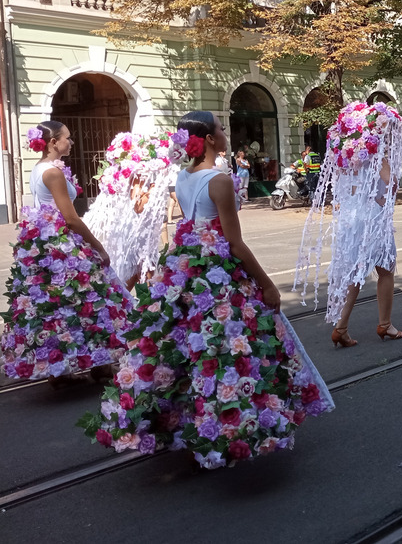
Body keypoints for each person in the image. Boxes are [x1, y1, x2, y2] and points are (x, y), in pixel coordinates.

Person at [80, 111, 333, 468]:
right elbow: (236, 243)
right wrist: (267, 283)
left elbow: (189, 220)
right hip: (217, 270)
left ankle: (173, 418)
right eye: (220, 127)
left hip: (184, 264)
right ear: (211, 139)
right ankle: (233, 422)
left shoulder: (183, 175)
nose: (225, 131)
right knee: (229, 342)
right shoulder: (219, 180)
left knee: (179, 339)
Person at [1, 121, 133, 385]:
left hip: (42, 242)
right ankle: (93, 364)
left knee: (57, 307)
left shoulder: (40, 168)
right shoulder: (53, 173)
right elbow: (70, 218)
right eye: (67, 138)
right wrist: (98, 246)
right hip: (61, 243)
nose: (71, 142)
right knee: (90, 301)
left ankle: (66, 368)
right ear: (53, 142)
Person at [295, 101, 402, 347]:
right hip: (372, 219)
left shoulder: (346, 158)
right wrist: (381, 191)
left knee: (354, 271)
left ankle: (341, 326)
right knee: (386, 269)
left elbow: (341, 190)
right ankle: (385, 324)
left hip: (350, 217)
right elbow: (391, 187)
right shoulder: (377, 156)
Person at [84, 131, 176, 289]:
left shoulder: (133, 180)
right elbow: (138, 206)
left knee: (146, 270)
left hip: (140, 236)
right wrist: (150, 193)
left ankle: (148, 300)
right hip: (137, 237)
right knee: (140, 271)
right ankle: (135, 300)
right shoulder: (137, 182)